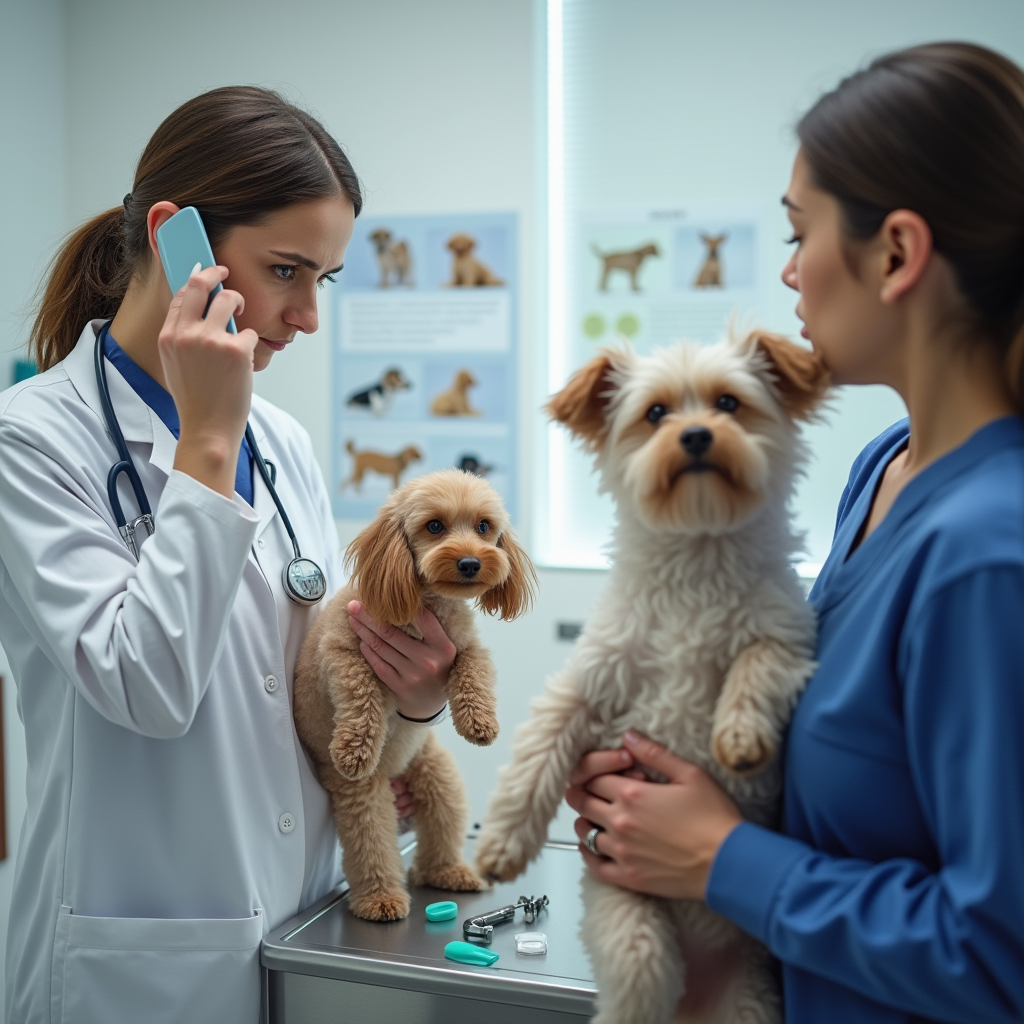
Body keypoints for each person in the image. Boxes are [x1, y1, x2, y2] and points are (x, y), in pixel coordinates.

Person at [565, 42, 1024, 1024]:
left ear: (895, 253)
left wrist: (726, 859)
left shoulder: (986, 552)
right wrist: (655, 793)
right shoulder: (883, 473)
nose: (786, 271)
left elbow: (1002, 956)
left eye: (797, 230)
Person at [0, 86, 453, 1024]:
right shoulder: (30, 441)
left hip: (306, 925)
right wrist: (206, 443)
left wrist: (413, 695)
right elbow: (147, 688)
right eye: (287, 269)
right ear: (179, 240)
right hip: (136, 957)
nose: (306, 317)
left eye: (321, 280)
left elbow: (304, 675)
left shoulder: (280, 442)